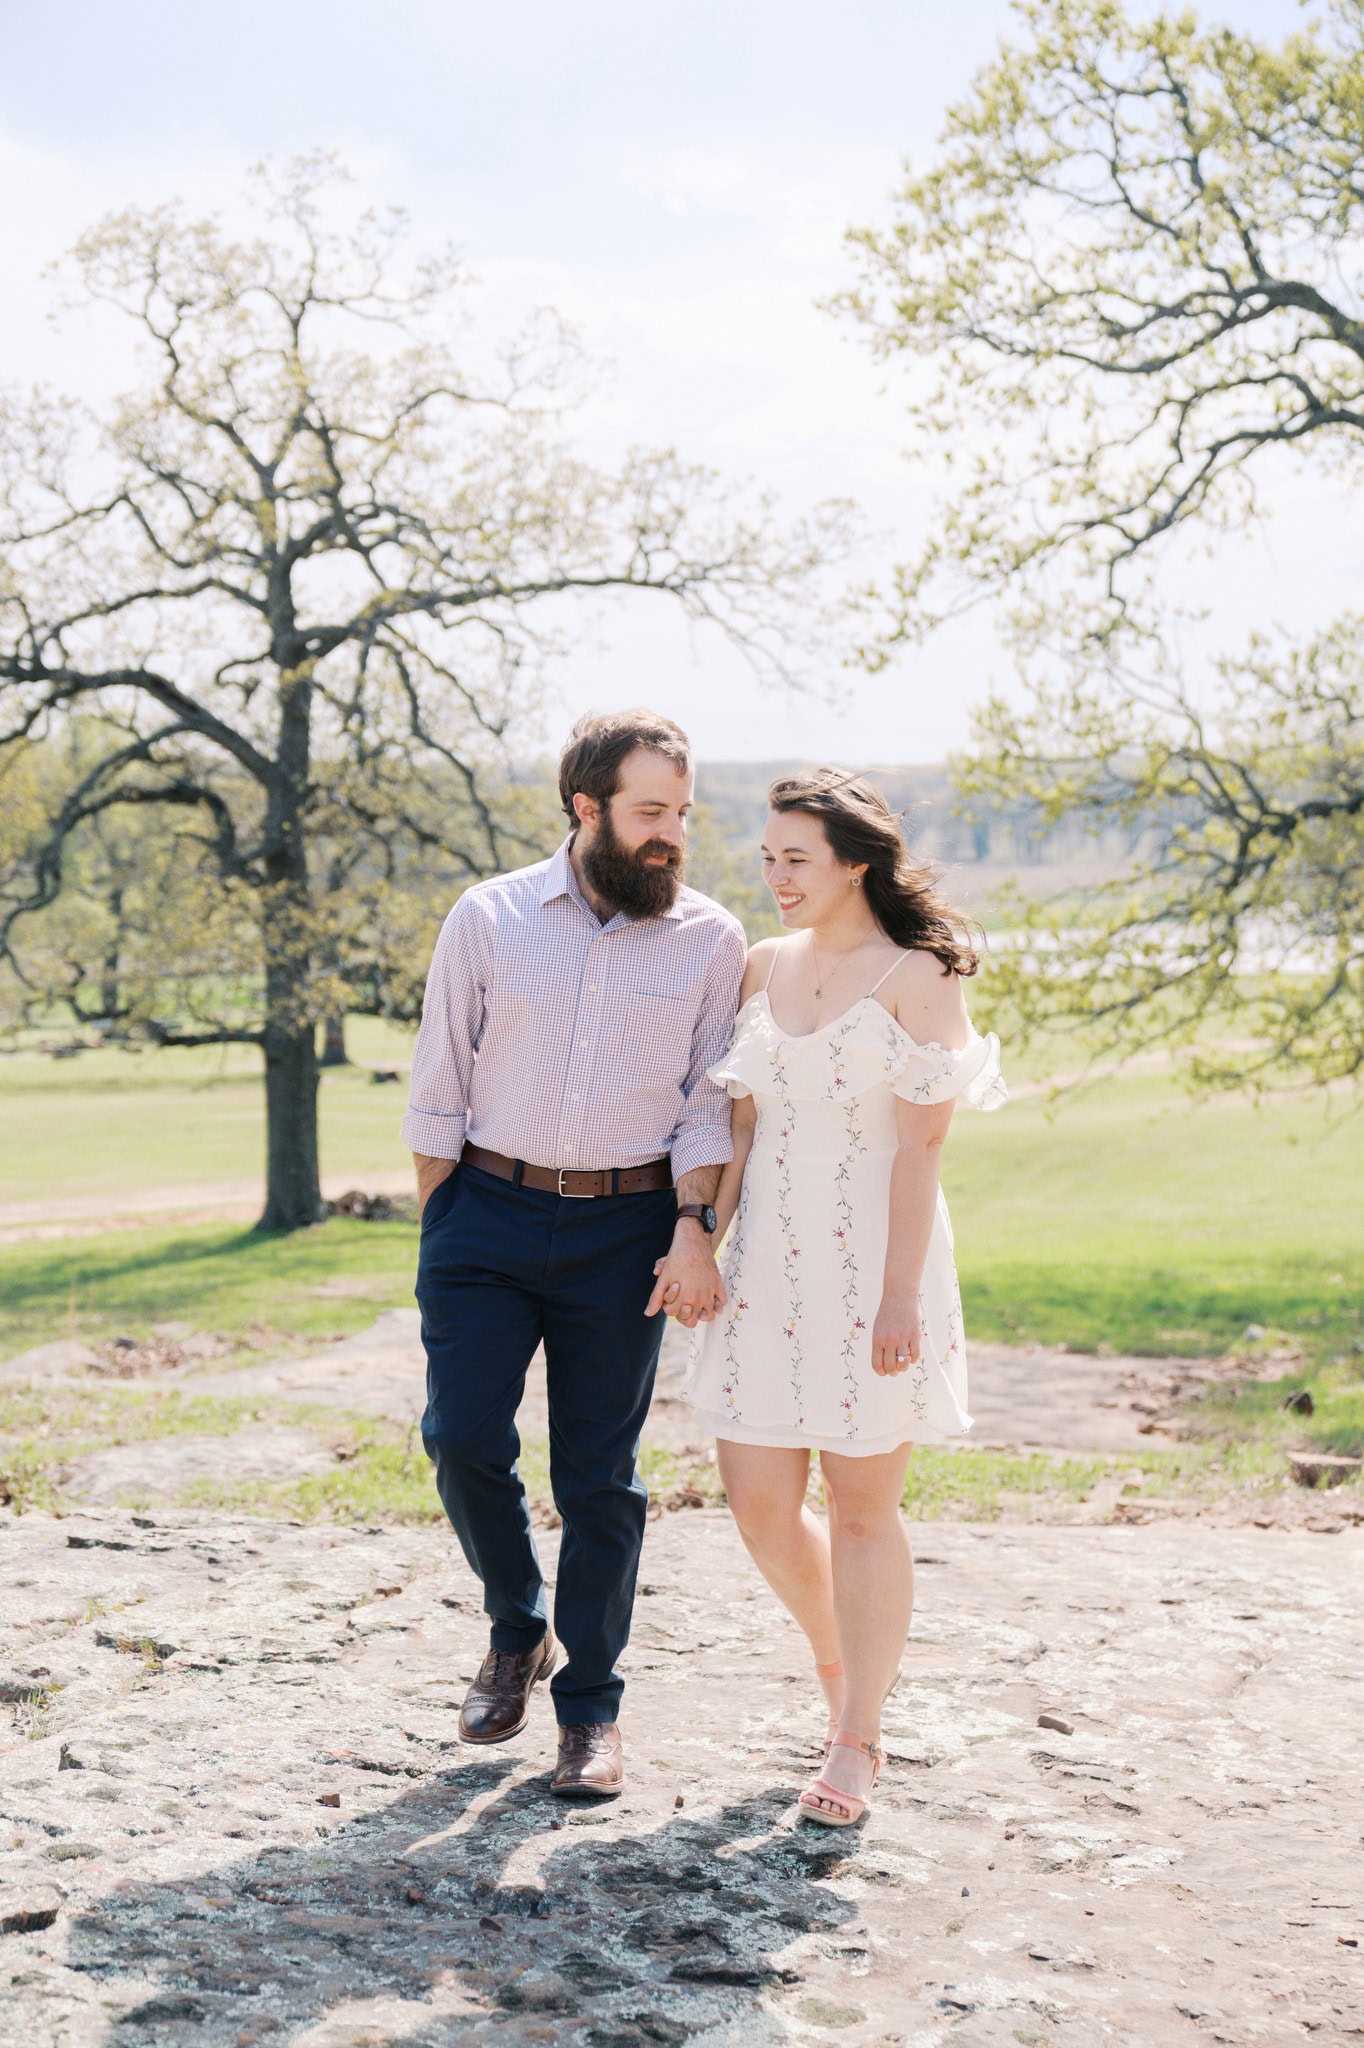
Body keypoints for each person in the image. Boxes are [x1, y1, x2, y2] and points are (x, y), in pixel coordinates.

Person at [403, 710, 743, 1798]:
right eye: (649, 811)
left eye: (681, 812)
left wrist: (692, 1227)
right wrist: (446, 1218)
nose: (670, 833)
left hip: (627, 1231)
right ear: (585, 807)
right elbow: (440, 1080)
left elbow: (705, 1105)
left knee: (598, 1478)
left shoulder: (710, 939)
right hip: (486, 1212)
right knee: (460, 1437)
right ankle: (518, 1625)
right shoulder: (488, 916)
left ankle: (590, 1709)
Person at [677, 770, 1005, 1826]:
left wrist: (899, 1298)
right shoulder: (761, 965)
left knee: (862, 1509)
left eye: (796, 859)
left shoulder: (918, 974)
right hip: (764, 1269)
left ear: (854, 864)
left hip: (875, 1269)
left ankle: (857, 1732)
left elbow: (922, 1150)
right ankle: (841, 1673)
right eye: (766, 857)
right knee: (760, 1506)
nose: (774, 877)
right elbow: (736, 1128)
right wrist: (701, 1242)